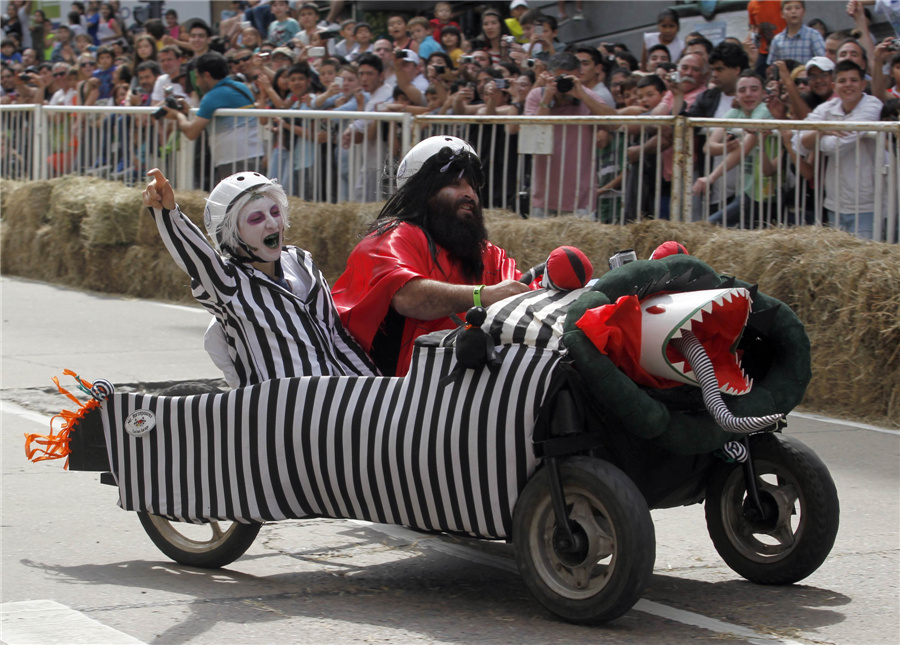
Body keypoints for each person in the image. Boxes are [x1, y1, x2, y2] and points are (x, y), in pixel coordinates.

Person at [141, 167, 376, 387]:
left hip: (342, 402)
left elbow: (338, 336)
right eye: (256, 219)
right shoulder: (228, 283)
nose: (273, 223)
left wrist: (379, 388)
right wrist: (168, 213)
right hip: (282, 416)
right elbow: (197, 259)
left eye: (275, 212)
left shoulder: (301, 262)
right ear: (231, 233)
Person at [332, 136, 530, 376]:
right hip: (394, 394)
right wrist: (482, 295)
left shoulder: (489, 254)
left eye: (473, 186)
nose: (470, 194)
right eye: (455, 183)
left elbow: (524, 295)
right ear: (424, 191)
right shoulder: (393, 236)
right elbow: (408, 297)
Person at [795, 60, 883, 238]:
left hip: (867, 205)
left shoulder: (873, 105)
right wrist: (823, 130)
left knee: (864, 263)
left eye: (853, 80)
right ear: (834, 85)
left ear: (863, 84)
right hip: (834, 202)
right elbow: (798, 142)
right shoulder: (828, 107)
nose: (848, 85)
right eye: (843, 81)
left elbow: (837, 147)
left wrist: (818, 133)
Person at [524, 52, 615, 218]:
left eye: (569, 78)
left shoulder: (586, 94)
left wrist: (582, 96)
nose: (564, 83)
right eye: (560, 78)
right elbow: (533, 134)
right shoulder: (537, 95)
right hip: (544, 195)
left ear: (579, 76)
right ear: (549, 75)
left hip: (580, 197)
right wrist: (547, 99)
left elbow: (614, 123)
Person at [162, 51, 263, 182]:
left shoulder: (212, 96)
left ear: (207, 75)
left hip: (234, 160)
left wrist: (178, 115)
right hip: (252, 155)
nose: (197, 83)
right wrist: (189, 111)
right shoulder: (241, 87)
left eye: (198, 77)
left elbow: (191, 133)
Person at [767, 1, 825, 65]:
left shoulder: (813, 35)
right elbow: (771, 65)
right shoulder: (777, 40)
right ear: (782, 14)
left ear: (804, 12)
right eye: (788, 9)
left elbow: (823, 61)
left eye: (797, 8)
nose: (793, 11)